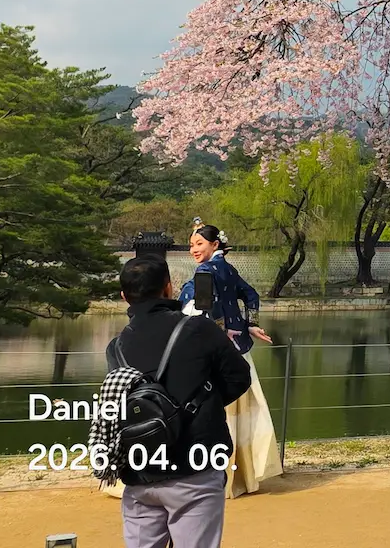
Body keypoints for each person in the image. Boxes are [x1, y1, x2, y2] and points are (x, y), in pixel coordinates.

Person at [111, 254, 253, 548]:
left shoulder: (116, 347)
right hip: (194, 467)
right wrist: (205, 403)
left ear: (124, 297)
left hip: (140, 470)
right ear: (169, 287)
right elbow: (239, 378)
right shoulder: (199, 329)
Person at [180, 224, 280, 496]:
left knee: (216, 411)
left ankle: (217, 479)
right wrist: (250, 324)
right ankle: (245, 476)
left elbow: (203, 310)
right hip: (240, 350)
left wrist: (219, 332)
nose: (193, 250)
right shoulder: (228, 269)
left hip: (216, 353)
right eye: (191, 245)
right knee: (242, 409)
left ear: (214, 245)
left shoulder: (204, 271)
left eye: (199, 244)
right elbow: (251, 295)